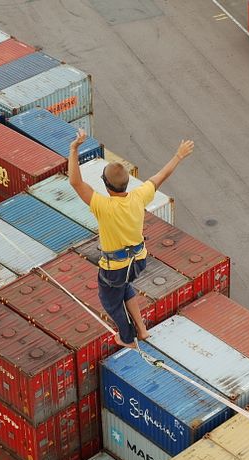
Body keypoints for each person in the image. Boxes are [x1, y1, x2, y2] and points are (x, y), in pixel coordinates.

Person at [68, 130, 194, 348]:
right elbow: (160, 176)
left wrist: (74, 149)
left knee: (110, 300)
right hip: (138, 261)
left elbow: (75, 182)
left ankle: (128, 338)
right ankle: (142, 330)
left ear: (106, 185)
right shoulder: (138, 196)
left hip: (115, 267)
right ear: (127, 183)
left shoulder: (103, 206)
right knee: (124, 287)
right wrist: (178, 155)